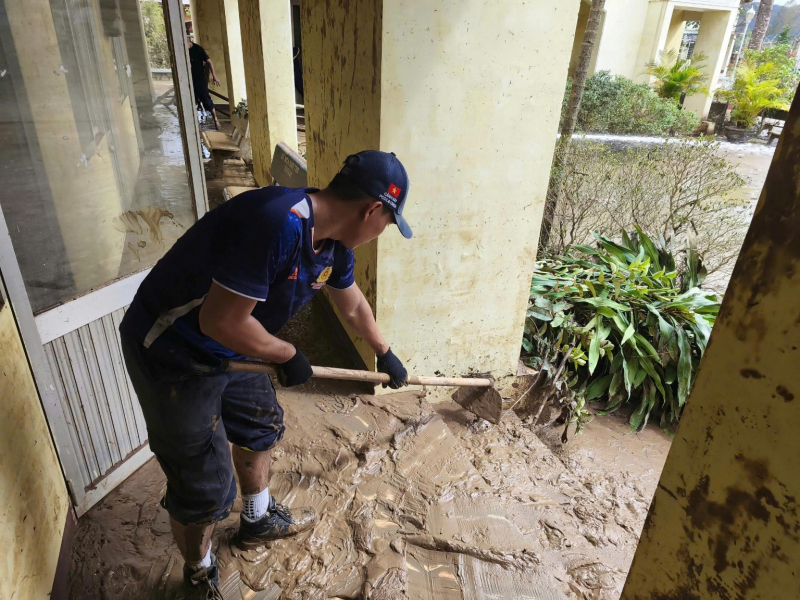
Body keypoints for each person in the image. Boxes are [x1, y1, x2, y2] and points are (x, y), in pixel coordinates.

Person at [119, 150, 413, 598]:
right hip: (174, 349)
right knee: (204, 488)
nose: (383, 233)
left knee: (260, 424)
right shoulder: (276, 223)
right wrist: (286, 352)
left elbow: (350, 303)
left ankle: (256, 519)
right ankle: (198, 571)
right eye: (389, 224)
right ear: (373, 210)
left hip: (237, 344)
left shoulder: (334, 244)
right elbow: (219, 321)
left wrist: (384, 353)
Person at [188, 35, 221, 129]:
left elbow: (209, 62)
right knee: (190, 101)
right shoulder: (182, 50)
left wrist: (214, 76)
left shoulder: (198, 49)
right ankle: (195, 124)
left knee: (206, 100)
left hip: (199, 79)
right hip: (188, 80)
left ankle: (215, 119)